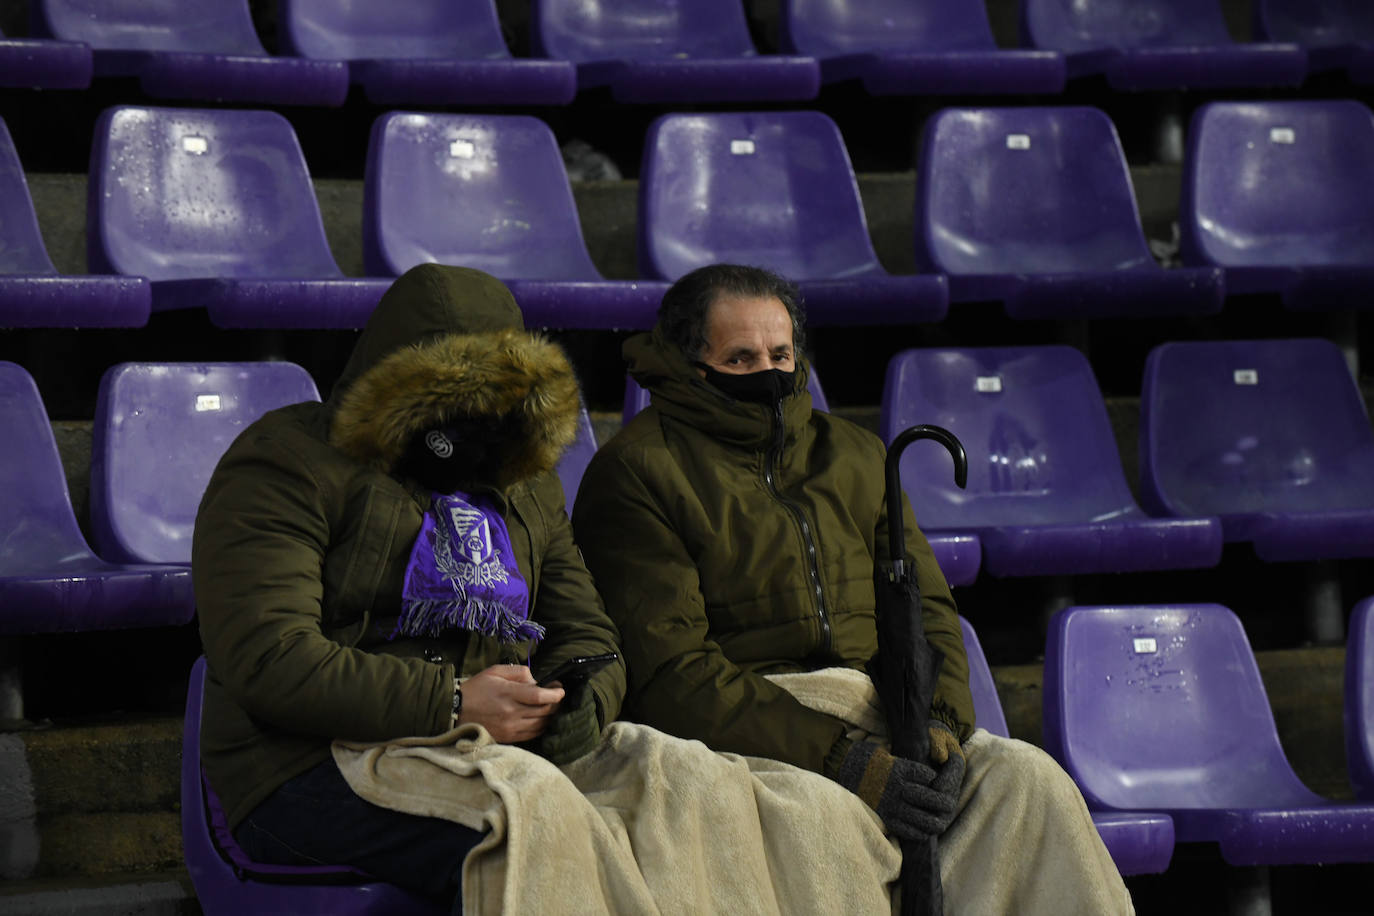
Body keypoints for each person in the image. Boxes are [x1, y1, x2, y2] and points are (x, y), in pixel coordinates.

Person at [572, 263, 1134, 914]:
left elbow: (929, 612)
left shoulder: (856, 455)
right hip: (748, 740)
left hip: (887, 715)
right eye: (742, 357)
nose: (769, 373)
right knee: (823, 820)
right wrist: (845, 761)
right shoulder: (638, 473)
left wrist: (939, 724)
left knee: (1028, 782)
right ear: (689, 363)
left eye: (780, 354)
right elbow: (673, 676)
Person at [192, 263, 626, 908]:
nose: (477, 422)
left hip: (497, 748)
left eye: (498, 404)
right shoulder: (286, 460)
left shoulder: (525, 480)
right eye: (450, 401)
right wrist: (451, 704)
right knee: (526, 841)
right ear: (394, 391)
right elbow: (268, 657)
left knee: (698, 803)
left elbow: (584, 630)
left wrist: (579, 702)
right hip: (305, 764)